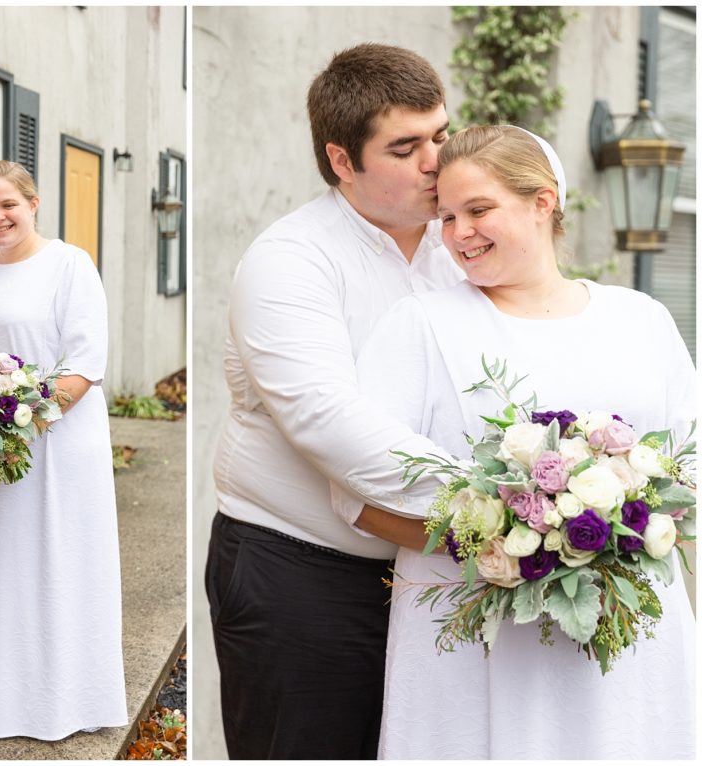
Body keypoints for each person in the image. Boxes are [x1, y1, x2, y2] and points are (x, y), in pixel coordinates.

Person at [343, 125, 696, 758]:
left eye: (478, 210)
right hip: (478, 641)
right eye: (446, 216)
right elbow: (357, 496)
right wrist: (510, 545)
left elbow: (690, 470)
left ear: (543, 201)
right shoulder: (420, 326)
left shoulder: (641, 319)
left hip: (633, 636)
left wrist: (617, 533)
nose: (459, 233)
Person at [205, 43, 462, 759]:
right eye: (406, 148)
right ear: (342, 160)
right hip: (300, 575)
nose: (436, 161)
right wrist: (499, 510)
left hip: (438, 571)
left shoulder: (462, 248)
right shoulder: (290, 260)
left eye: (441, 135)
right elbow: (327, 420)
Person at [0, 160, 127, 739]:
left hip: (54, 445)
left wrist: (19, 422)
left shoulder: (70, 264)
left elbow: (85, 363)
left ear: (33, 203)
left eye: (8, 205)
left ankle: (59, 698)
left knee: (52, 562)